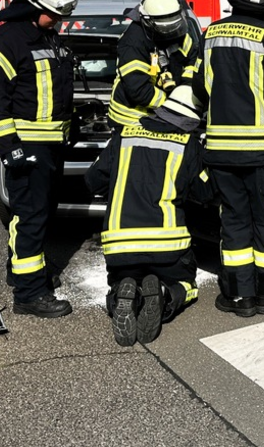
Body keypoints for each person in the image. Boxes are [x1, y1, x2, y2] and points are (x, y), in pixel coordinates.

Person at [191, 0, 264, 317]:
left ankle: (239, 296)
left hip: (221, 150)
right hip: (262, 150)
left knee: (233, 220)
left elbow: (199, 86)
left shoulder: (210, 34)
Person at [0, 0, 84, 318]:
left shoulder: (46, 36)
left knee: (38, 216)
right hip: (28, 147)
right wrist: (9, 146)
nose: (58, 21)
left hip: (52, 145)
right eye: (54, 15)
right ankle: (29, 295)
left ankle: (22, 273)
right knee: (30, 217)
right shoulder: (6, 41)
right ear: (32, 6)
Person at [85, 85, 204, 346]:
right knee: (187, 283)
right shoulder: (187, 142)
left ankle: (121, 293)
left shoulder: (123, 134)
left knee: (119, 279)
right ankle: (164, 293)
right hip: (168, 247)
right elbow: (203, 192)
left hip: (120, 247)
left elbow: (93, 180)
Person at [107, 0, 194, 130]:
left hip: (168, 117)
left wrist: (186, 90)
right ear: (147, 22)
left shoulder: (179, 34)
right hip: (131, 121)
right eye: (165, 28)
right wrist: (173, 104)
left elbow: (192, 63)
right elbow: (138, 90)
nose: (170, 32)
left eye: (173, 27)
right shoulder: (133, 42)